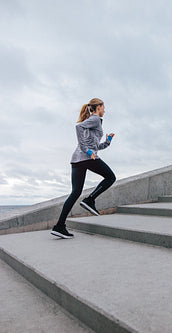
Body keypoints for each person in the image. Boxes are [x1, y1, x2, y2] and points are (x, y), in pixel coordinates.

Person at [51, 98, 116, 239]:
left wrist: (108, 142)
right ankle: (90, 200)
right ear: (98, 107)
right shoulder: (95, 119)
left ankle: (59, 226)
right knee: (111, 177)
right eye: (103, 107)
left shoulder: (94, 122)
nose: (105, 110)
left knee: (75, 192)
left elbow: (96, 146)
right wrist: (86, 150)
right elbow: (78, 127)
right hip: (86, 157)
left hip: (77, 159)